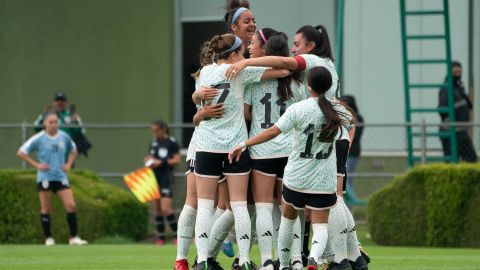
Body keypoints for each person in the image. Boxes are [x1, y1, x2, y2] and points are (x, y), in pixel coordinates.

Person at [229, 66, 352, 270]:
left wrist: (244, 144)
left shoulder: (299, 108)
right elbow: (351, 119)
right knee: (320, 225)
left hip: (297, 175)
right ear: (329, 87)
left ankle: (284, 264)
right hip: (323, 178)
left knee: (288, 219)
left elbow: (273, 132)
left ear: (308, 85)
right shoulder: (337, 111)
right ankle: (312, 258)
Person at [192, 33, 289, 270]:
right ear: (235, 54)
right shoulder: (241, 72)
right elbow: (284, 71)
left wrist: (196, 95)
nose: (246, 53)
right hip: (234, 147)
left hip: (206, 146)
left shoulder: (205, 72)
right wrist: (248, 64)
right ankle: (244, 259)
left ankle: (202, 260)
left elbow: (198, 100)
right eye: (243, 51)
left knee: (205, 206)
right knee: (239, 205)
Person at [244, 28, 306, 270]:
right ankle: (297, 260)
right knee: (290, 209)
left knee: (262, 208)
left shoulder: (255, 78)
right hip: (289, 151)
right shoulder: (297, 82)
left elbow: (247, 113)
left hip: (262, 151)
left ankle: (268, 261)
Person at [17, 112, 88, 246]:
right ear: (45, 123)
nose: (54, 124)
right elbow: (21, 152)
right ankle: (48, 238)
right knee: (46, 208)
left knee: (71, 205)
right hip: (45, 177)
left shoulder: (64, 137)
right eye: (51, 122)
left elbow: (74, 150)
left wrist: (68, 164)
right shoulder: (38, 138)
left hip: (61, 177)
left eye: (56, 122)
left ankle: (73, 237)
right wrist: (37, 165)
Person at [144, 120, 181, 245]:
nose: (154, 134)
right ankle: (161, 238)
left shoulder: (172, 142)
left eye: (156, 131)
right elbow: (151, 156)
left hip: (166, 177)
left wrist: (162, 163)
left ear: (163, 129)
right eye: (153, 132)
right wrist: (148, 160)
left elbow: (177, 159)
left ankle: (177, 236)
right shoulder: (153, 142)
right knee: (157, 209)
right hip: (154, 178)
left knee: (166, 209)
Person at [438, 61, 477, 162]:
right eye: (455, 72)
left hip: (462, 132)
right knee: (452, 162)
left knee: (472, 160)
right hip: (450, 132)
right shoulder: (446, 89)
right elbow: (442, 110)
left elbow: (468, 105)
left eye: (459, 72)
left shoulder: (459, 88)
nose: (457, 75)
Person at [34, 91, 91, 157]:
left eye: (62, 101)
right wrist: (44, 115)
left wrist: (75, 122)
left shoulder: (72, 115)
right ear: (54, 103)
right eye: (58, 101)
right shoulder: (48, 114)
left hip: (67, 147)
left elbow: (80, 132)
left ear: (66, 103)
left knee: (67, 165)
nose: (60, 103)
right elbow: (36, 127)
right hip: (50, 146)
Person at [340, 95, 364, 205]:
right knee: (346, 181)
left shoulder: (356, 118)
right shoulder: (349, 118)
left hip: (351, 153)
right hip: (349, 153)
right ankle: (349, 205)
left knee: (346, 181)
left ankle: (353, 203)